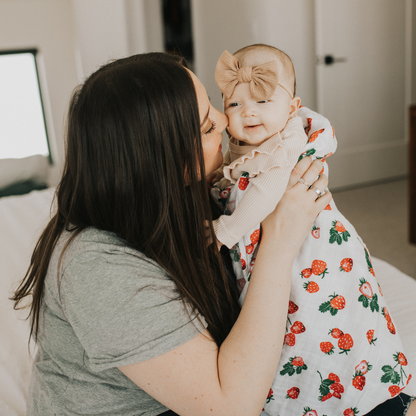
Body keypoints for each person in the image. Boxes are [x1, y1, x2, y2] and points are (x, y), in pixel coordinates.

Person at [11, 52, 331, 416]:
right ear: (161, 165)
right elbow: (231, 407)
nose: (227, 120)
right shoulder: (96, 268)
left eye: (214, 107)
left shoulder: (190, 199)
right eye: (208, 127)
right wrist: (281, 241)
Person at [211, 44, 414, 415]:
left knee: (315, 319)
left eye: (261, 101)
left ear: (292, 108)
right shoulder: (248, 145)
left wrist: (223, 231)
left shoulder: (286, 144)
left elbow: (266, 193)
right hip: (277, 246)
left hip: (310, 254)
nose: (248, 112)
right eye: (234, 104)